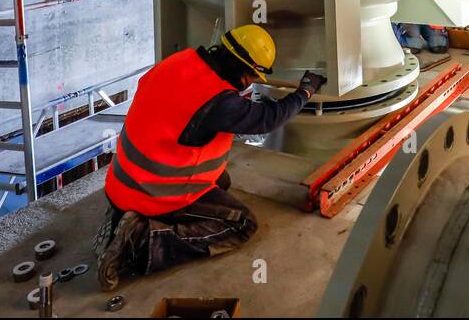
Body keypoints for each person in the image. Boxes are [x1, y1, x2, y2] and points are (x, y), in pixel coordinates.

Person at [92, 24, 324, 290]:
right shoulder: (219, 101)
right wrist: (304, 93)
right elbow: (267, 118)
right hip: (155, 191)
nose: (251, 83)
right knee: (243, 224)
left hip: (121, 182)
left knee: (221, 180)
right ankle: (140, 243)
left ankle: (122, 217)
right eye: (252, 76)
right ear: (244, 70)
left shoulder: (181, 61)